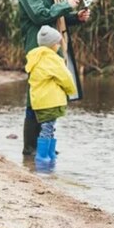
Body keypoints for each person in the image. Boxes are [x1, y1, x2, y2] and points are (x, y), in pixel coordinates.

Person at [18, 0, 90, 155]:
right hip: (38, 50)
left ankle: (42, 143)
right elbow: (40, 17)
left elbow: (54, 19)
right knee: (35, 98)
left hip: (51, 49)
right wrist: (66, 5)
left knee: (47, 95)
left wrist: (77, 17)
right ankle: (30, 148)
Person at [25, 25, 76, 170]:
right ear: (53, 45)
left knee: (49, 127)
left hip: (39, 102)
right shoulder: (53, 59)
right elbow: (65, 77)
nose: (60, 45)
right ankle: (42, 157)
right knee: (48, 128)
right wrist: (71, 90)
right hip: (51, 101)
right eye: (58, 42)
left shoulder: (35, 58)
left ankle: (50, 153)